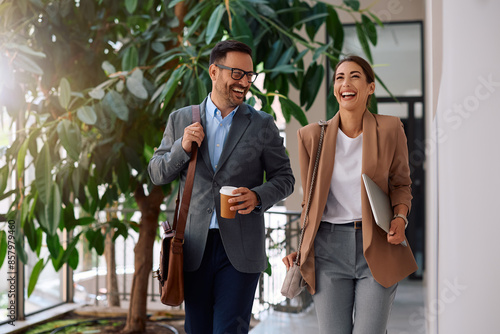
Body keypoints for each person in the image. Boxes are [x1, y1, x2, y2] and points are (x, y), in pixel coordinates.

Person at [149, 40, 295, 334]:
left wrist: (256, 196)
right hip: (192, 248)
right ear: (214, 71)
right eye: (237, 73)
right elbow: (156, 173)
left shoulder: (263, 125)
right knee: (197, 329)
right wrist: (182, 147)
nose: (245, 82)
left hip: (240, 249)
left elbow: (285, 178)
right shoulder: (181, 119)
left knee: (229, 329)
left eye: (250, 75)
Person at [283, 55, 417, 334]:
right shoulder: (311, 137)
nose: (346, 82)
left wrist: (400, 218)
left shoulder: (391, 128)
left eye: (355, 76)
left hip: (377, 243)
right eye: (339, 77)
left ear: (370, 87)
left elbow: (401, 184)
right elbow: (309, 201)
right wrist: (303, 248)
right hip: (327, 248)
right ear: (335, 88)